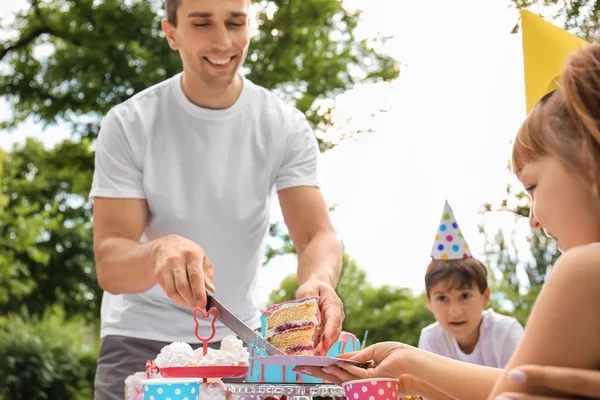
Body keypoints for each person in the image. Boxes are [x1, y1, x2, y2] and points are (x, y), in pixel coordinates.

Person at [295, 36, 600, 400]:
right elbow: (515, 385)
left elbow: (513, 392)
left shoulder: (585, 270)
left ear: (588, 159)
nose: (533, 219)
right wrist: (410, 366)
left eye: (532, 186)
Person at [89, 0, 345, 399]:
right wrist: (161, 251)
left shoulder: (284, 125)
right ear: (171, 33)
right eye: (202, 23)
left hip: (238, 347)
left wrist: (319, 279)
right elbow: (110, 262)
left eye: (235, 22)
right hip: (138, 339)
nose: (223, 41)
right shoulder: (129, 123)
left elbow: (316, 236)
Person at [419, 201, 523, 368]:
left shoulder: (505, 332)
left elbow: (522, 390)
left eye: (465, 295)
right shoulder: (431, 338)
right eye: (442, 298)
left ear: (485, 296)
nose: (455, 311)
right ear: (429, 301)